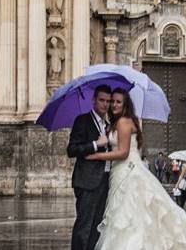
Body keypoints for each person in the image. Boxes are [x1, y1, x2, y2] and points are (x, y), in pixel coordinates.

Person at [86, 88, 186, 249]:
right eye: (112, 101)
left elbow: (123, 152)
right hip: (126, 171)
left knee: (128, 215)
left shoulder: (122, 122)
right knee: (138, 215)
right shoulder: (123, 122)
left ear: (125, 103)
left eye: (118, 101)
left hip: (127, 172)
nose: (113, 104)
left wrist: (97, 156)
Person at [66, 84, 112, 250]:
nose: (105, 104)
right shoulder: (82, 120)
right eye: (102, 100)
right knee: (84, 226)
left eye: (108, 101)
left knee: (97, 227)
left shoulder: (107, 124)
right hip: (86, 182)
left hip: (104, 181)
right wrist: (95, 144)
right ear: (94, 100)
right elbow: (72, 149)